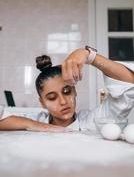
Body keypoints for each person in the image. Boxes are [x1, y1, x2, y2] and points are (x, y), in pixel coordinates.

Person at [0, 46, 134, 132]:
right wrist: (37, 126)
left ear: (75, 91)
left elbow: (129, 84)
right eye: (52, 97)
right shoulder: (36, 120)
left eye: (67, 91)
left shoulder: (94, 121)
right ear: (42, 103)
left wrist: (89, 56)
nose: (63, 102)